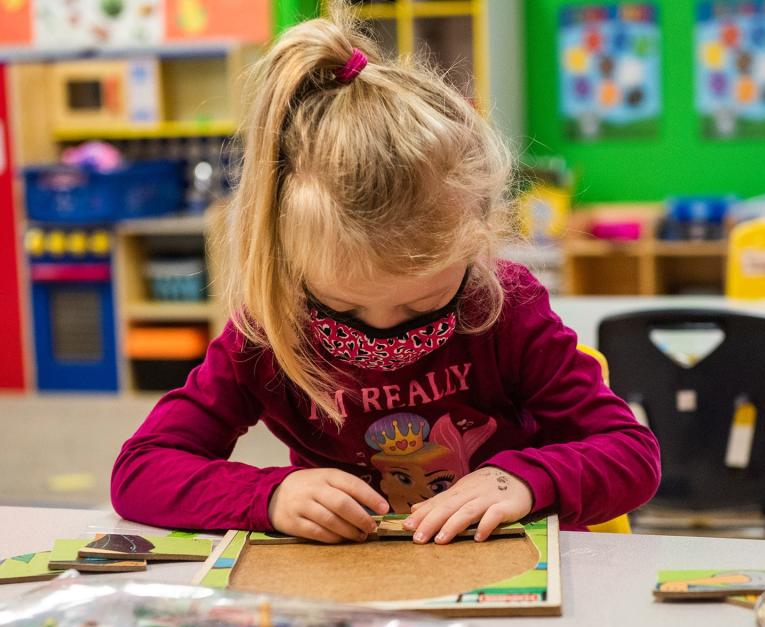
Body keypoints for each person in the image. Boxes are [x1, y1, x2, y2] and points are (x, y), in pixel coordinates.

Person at [111, 4, 660, 545]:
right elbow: (140, 470)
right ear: (288, 264)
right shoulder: (271, 325)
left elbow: (631, 453)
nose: (384, 330)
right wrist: (270, 496)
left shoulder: (503, 306)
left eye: (422, 305)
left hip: (506, 571)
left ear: (477, 240)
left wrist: (523, 480)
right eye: (344, 309)